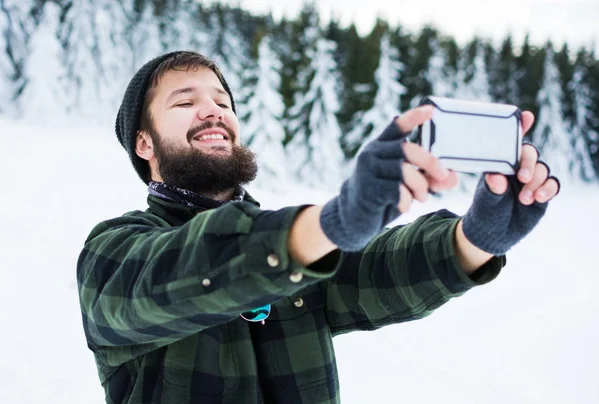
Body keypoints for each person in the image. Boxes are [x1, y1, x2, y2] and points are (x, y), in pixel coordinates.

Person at [76, 50, 560, 404]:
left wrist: (475, 238)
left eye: (223, 101)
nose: (214, 111)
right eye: (185, 102)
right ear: (144, 144)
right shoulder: (114, 251)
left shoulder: (301, 247)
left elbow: (375, 270)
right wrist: (331, 222)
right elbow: (174, 276)